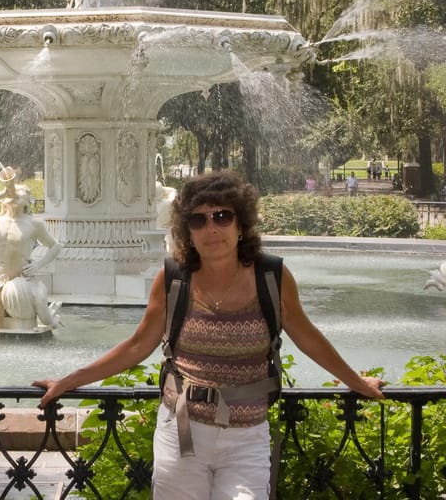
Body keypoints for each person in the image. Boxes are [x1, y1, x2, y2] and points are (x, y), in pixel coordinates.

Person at [33, 170, 384, 499]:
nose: (211, 228)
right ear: (187, 231)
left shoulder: (272, 277)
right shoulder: (174, 278)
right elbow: (138, 345)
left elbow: (308, 338)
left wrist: (357, 383)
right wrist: (68, 381)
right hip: (182, 433)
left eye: (222, 216)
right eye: (198, 220)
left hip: (246, 438)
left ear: (241, 225)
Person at [0, 167, 63, 330]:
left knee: (21, 315)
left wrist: (38, 264)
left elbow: (56, 246)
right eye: (11, 191)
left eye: (19, 192)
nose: (13, 193)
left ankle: (50, 320)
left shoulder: (34, 225)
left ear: (28, 202)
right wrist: (1, 193)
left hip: (20, 283)